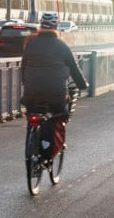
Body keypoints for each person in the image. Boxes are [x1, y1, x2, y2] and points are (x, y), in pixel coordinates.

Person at [21, 12, 89, 161]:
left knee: (32, 112)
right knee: (61, 113)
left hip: (31, 94)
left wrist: (26, 85)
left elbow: (23, 67)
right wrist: (83, 85)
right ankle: (49, 149)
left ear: (40, 25)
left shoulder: (31, 43)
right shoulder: (62, 46)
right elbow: (74, 69)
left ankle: (32, 139)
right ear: (56, 26)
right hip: (55, 95)